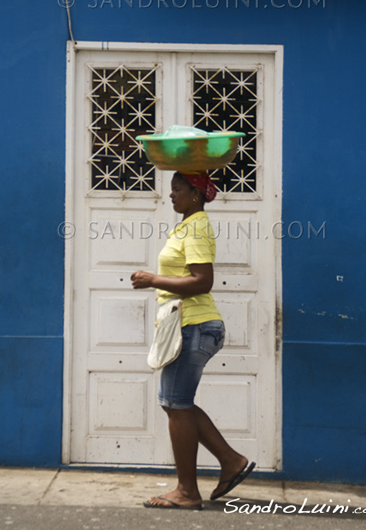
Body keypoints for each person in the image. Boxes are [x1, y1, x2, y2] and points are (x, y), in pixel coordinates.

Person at [131, 171, 255, 510]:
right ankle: (230, 460)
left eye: (177, 189)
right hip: (190, 325)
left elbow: (203, 281)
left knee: (176, 404)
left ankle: (188, 492)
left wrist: (153, 278)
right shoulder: (187, 225)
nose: (170, 195)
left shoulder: (197, 226)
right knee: (175, 402)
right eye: (171, 189)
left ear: (196, 193)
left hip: (195, 325)